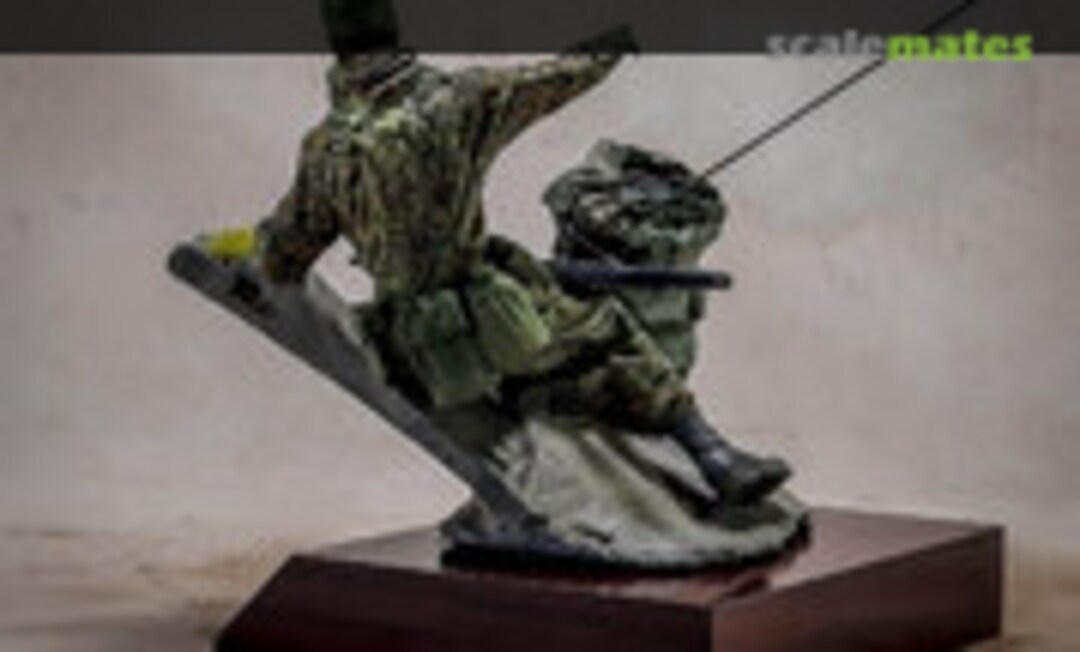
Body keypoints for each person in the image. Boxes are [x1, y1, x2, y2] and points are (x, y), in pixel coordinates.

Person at [202, 1, 790, 506]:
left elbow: (283, 253)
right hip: (489, 331)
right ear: (394, 32)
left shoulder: (325, 149)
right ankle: (715, 458)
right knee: (610, 328)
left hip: (407, 347)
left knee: (537, 294)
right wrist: (616, 42)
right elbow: (558, 77)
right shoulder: (460, 100)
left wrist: (236, 243)